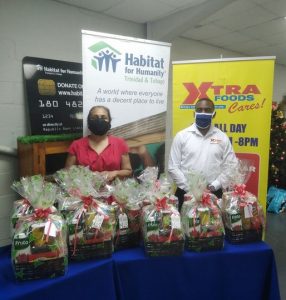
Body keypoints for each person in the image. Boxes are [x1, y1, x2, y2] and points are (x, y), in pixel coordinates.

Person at [168, 98, 237, 210]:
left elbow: (231, 165)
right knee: (185, 226)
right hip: (186, 193)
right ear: (194, 113)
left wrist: (215, 185)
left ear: (214, 114)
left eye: (207, 110)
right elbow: (173, 167)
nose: (203, 113)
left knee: (214, 227)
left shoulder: (222, 137)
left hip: (214, 193)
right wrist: (190, 188)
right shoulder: (182, 136)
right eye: (200, 109)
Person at [65, 105, 132, 182]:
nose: (99, 121)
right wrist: (86, 177)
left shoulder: (120, 144)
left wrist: (114, 173)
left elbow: (128, 171)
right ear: (89, 122)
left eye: (104, 118)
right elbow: (67, 174)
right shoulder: (76, 145)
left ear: (109, 122)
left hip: (114, 192)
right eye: (95, 117)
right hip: (84, 192)